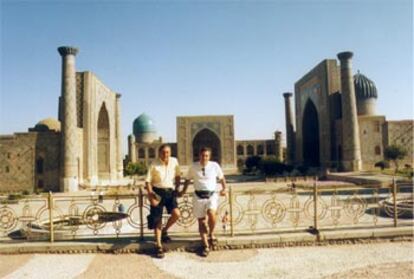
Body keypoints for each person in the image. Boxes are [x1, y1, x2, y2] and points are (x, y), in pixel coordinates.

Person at [182, 147, 227, 257]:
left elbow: (222, 178)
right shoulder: (193, 166)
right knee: (201, 222)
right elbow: (187, 179)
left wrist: (224, 188)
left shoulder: (214, 165)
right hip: (198, 196)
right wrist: (183, 191)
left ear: (209, 156)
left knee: (212, 214)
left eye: (207, 155)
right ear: (199, 155)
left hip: (211, 195)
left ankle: (211, 233)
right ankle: (206, 245)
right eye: (203, 155)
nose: (204, 157)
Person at [145, 144, 181, 258]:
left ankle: (165, 231)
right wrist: (151, 196)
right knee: (157, 220)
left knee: (176, 214)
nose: (166, 154)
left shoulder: (174, 161)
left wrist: (178, 188)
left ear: (170, 153)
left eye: (168, 152)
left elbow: (178, 176)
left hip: (170, 192)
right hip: (157, 193)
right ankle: (159, 245)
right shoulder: (154, 164)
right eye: (163, 152)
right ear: (159, 153)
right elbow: (148, 182)